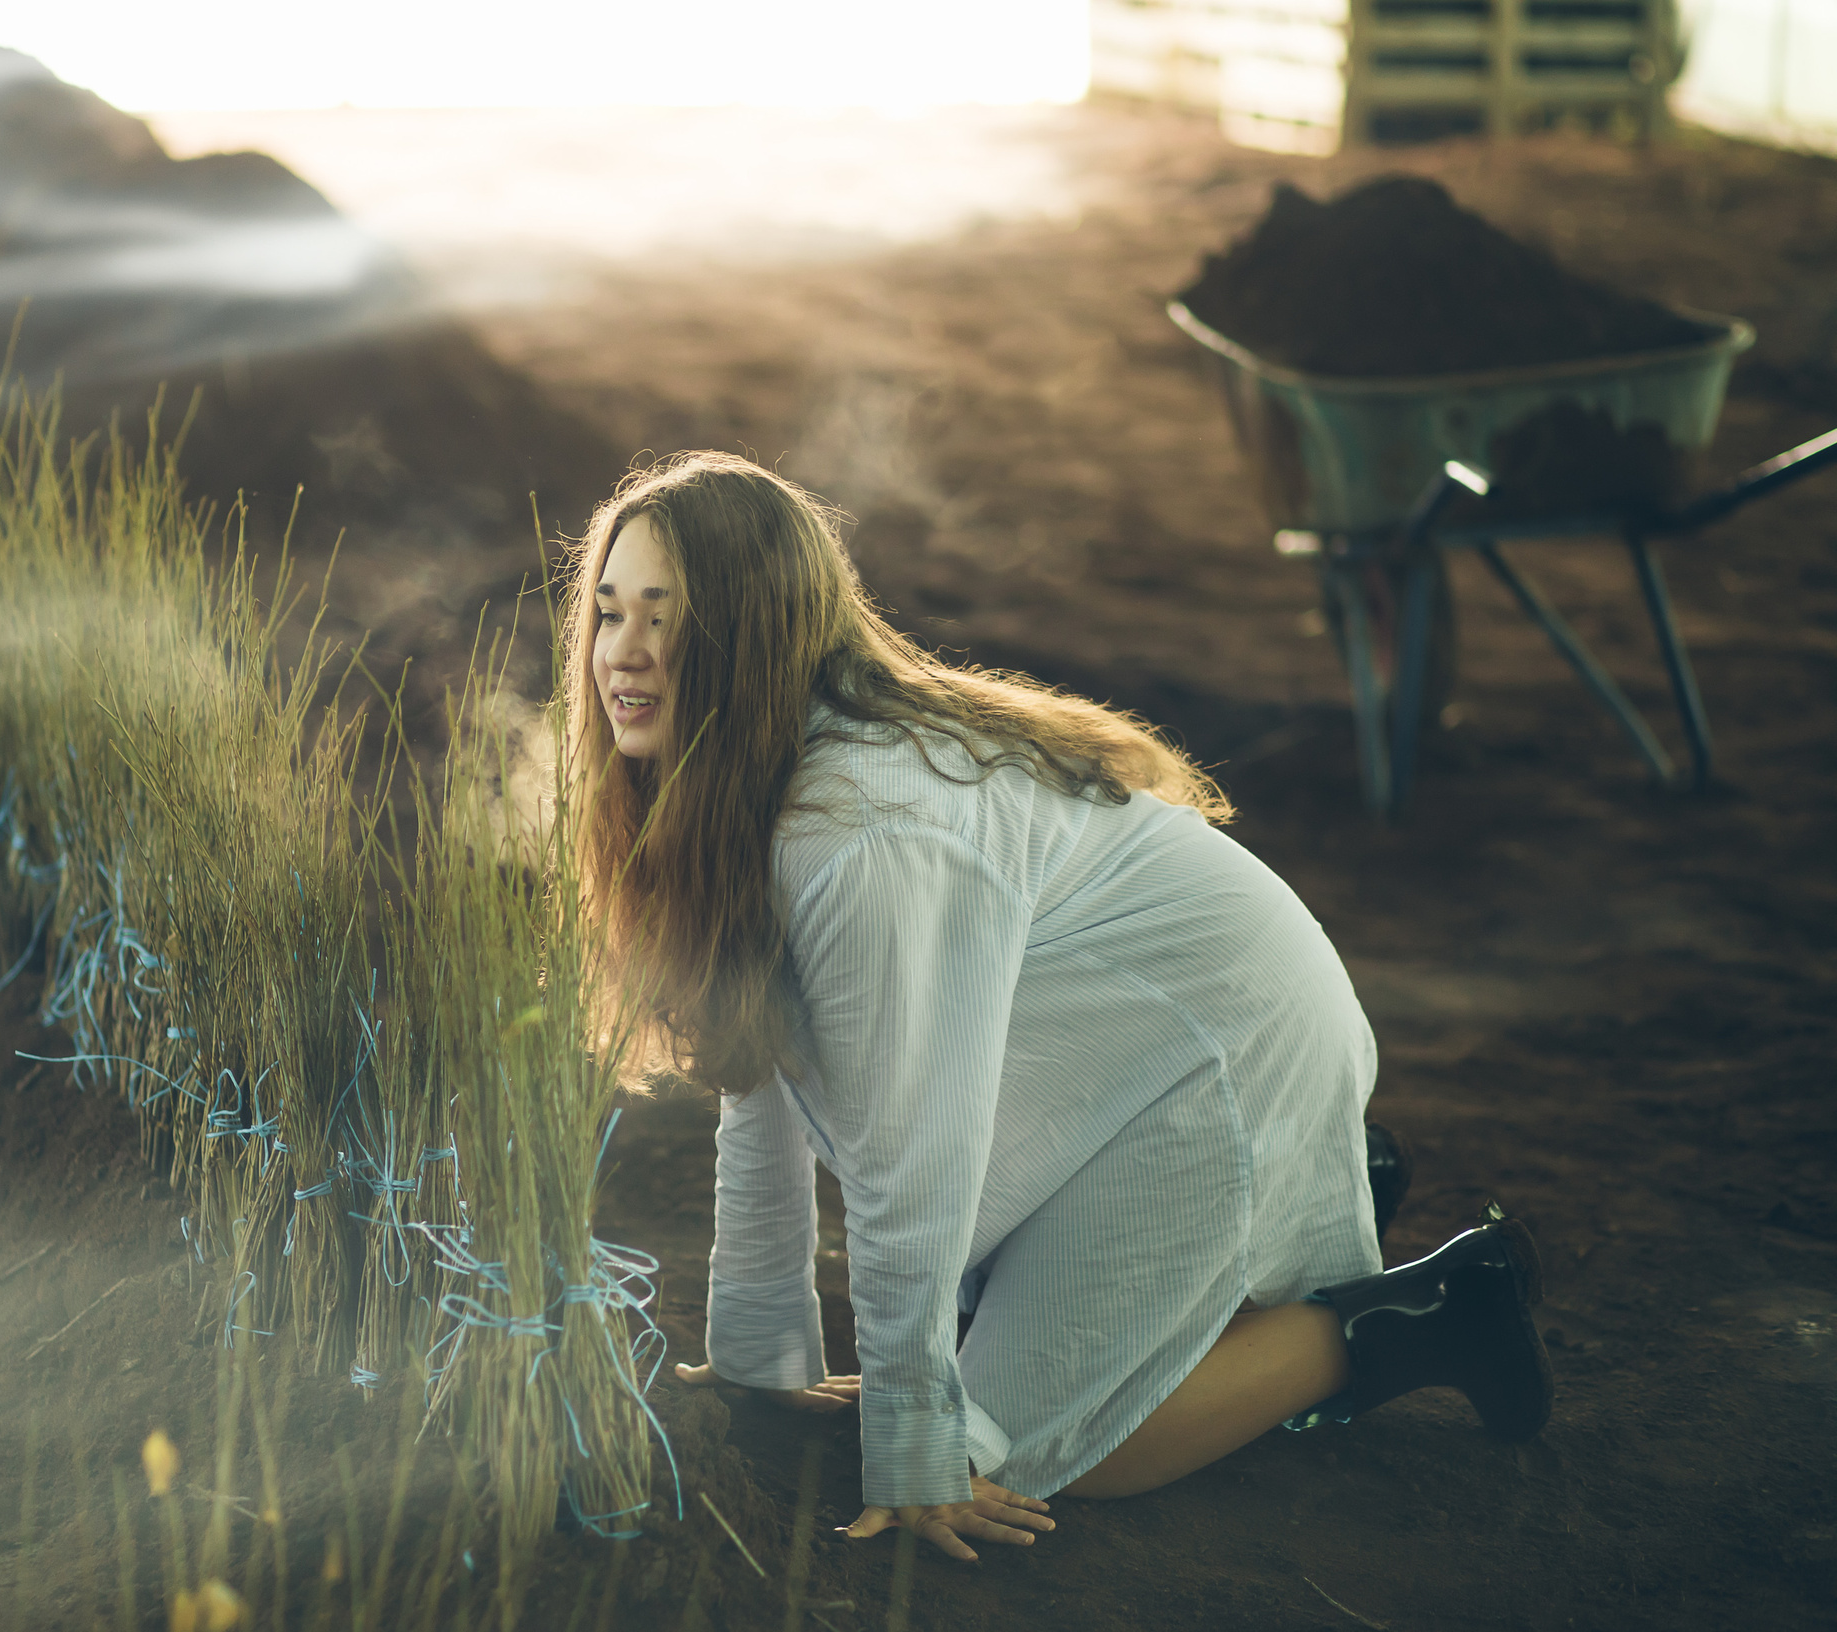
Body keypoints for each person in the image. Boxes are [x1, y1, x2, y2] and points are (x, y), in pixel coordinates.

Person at [563, 451, 1552, 1561]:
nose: (625, 654)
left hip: (1223, 1048)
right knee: (973, 1343)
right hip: (1117, 1056)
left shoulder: (863, 830)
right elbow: (762, 1070)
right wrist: (759, 1355)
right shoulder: (747, 781)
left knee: (1043, 1451)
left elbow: (911, 1154)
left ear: (753, 630)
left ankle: (1434, 1306)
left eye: (666, 617)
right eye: (607, 615)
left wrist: (916, 1453)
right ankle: (1296, 1200)